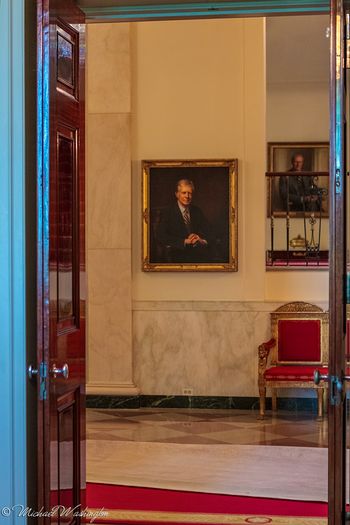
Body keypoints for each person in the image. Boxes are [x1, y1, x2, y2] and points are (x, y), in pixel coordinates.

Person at [155, 178, 211, 263]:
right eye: (184, 193)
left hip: (198, 254)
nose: (187, 196)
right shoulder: (168, 212)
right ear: (177, 194)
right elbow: (160, 236)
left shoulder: (197, 211)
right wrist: (184, 241)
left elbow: (210, 231)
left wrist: (201, 240)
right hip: (177, 254)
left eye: (190, 193)